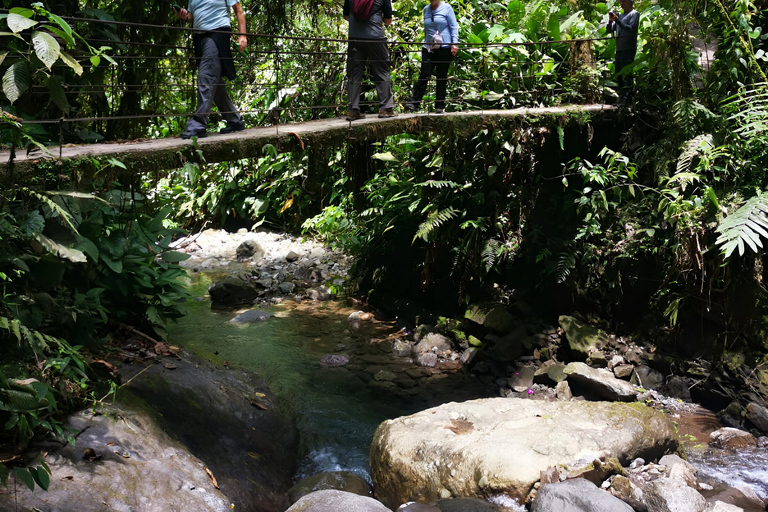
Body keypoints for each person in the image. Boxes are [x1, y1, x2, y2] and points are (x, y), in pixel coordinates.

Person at [174, 0, 247, 139]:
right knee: (215, 81)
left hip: (217, 34)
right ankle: (235, 120)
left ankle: (198, 123)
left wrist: (242, 36)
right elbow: (191, 17)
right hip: (199, 38)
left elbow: (239, 10)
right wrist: (184, 16)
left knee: (206, 75)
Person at [343, 0, 397, 121]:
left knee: (354, 73)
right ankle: (385, 108)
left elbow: (346, 16)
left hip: (355, 37)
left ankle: (353, 109)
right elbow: (388, 21)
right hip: (375, 37)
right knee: (381, 70)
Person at [404, 0, 459, 114]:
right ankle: (414, 103)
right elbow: (427, 29)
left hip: (444, 47)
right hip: (429, 48)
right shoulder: (426, 10)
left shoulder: (447, 8)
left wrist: (455, 43)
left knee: (441, 76)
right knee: (424, 74)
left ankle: (439, 105)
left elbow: (454, 26)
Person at [607, 0, 639, 107]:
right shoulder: (620, 16)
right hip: (620, 49)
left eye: (623, 2)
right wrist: (611, 21)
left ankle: (627, 100)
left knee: (627, 74)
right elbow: (609, 31)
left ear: (630, 2)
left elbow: (631, 29)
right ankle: (621, 98)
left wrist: (618, 21)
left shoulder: (634, 14)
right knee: (619, 74)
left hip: (629, 48)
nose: (621, 4)